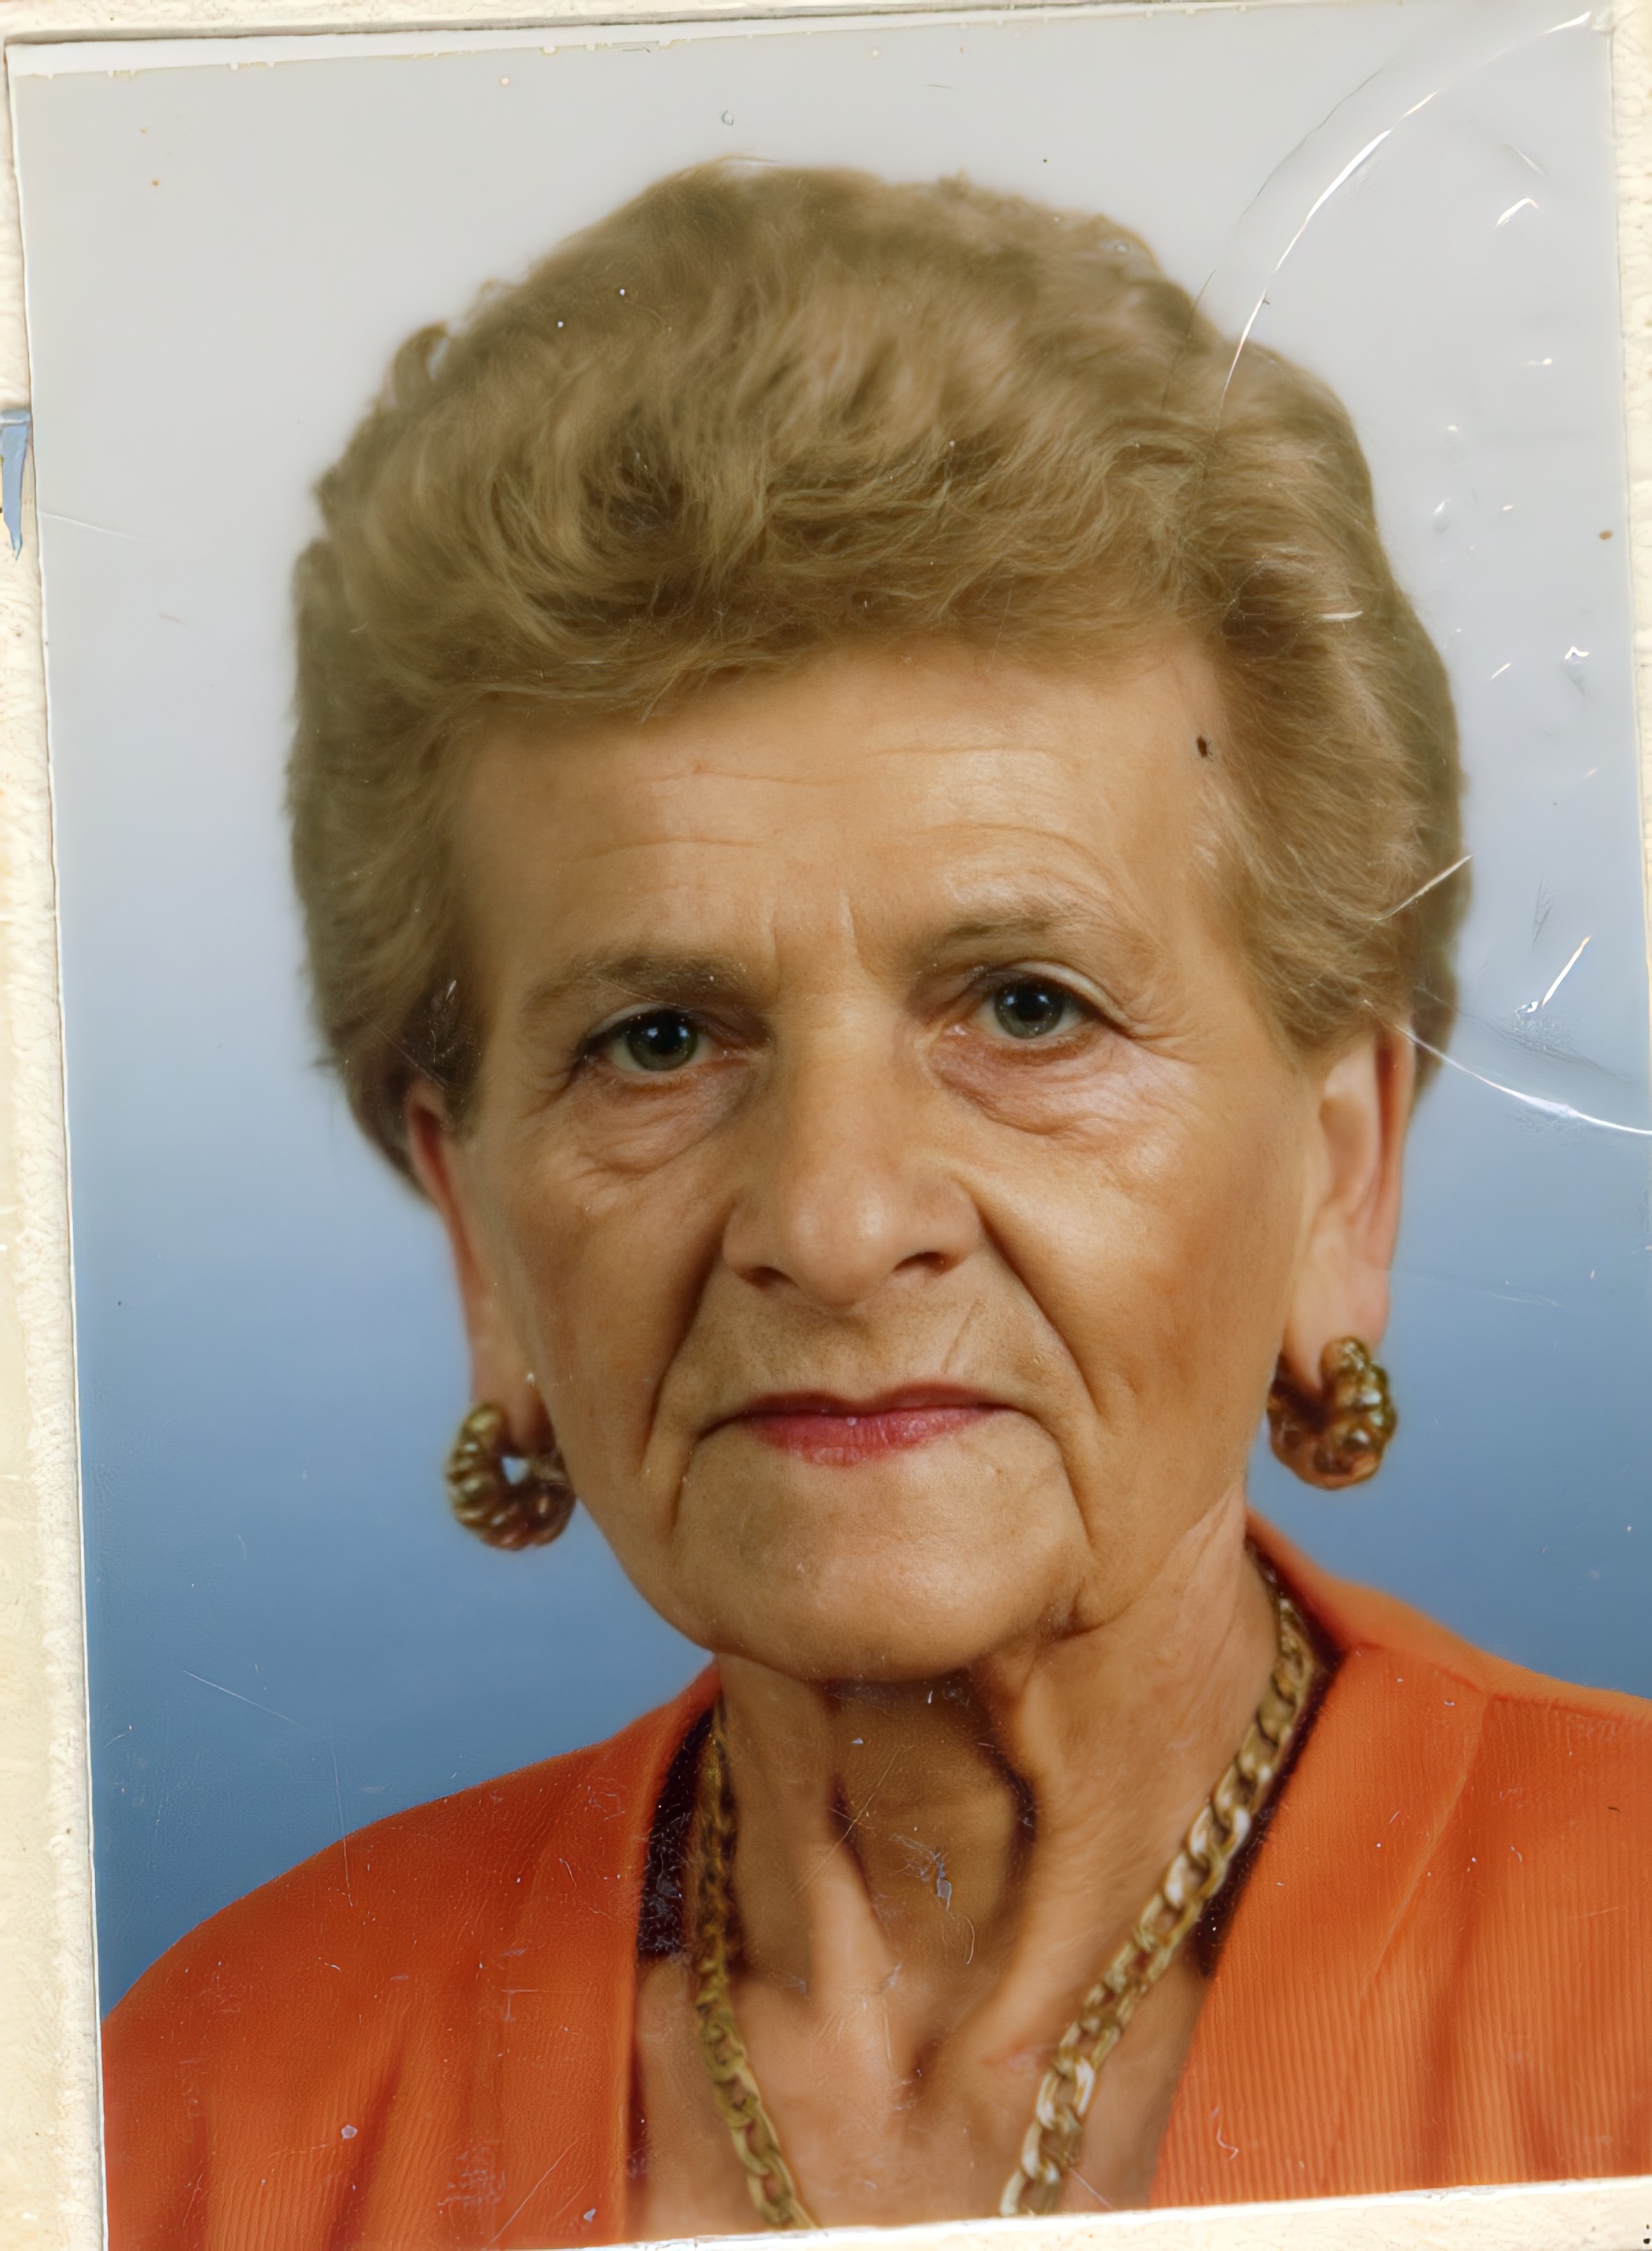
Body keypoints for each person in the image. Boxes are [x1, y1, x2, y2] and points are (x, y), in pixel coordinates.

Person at [103, 162, 1652, 2249]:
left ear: (1340, 1170)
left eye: (1026, 1007)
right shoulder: (203, 2121)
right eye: (659, 1039)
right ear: (478, 1240)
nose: (834, 1226)